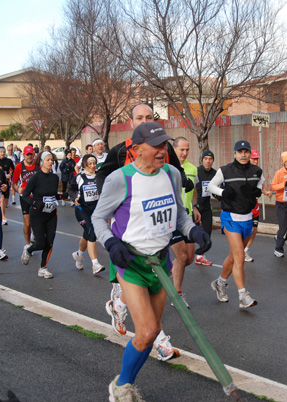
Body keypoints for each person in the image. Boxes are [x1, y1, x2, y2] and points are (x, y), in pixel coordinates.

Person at [92, 122, 210, 401]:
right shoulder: (120, 179)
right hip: (130, 262)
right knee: (146, 331)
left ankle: (125, 383)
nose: (162, 151)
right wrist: (110, 243)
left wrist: (193, 231)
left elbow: (179, 214)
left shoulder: (171, 174)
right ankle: (120, 388)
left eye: (164, 145)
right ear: (136, 150)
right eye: (156, 146)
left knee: (153, 330)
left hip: (160, 262)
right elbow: (98, 217)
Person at [96, 104, 188, 361]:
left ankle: (120, 304)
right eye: (140, 118)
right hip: (131, 225)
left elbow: (175, 175)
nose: (144, 120)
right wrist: (118, 202)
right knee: (144, 298)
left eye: (149, 117)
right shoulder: (120, 151)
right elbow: (103, 177)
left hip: (162, 218)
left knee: (181, 256)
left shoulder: (163, 146)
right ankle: (157, 339)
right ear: (131, 121)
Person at [208, 140, 264, 309]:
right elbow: (210, 186)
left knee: (233, 257)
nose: (243, 154)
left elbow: (260, 186)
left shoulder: (257, 171)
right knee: (239, 256)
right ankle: (243, 295)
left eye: (246, 151)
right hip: (230, 217)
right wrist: (223, 192)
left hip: (247, 217)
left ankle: (220, 283)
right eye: (240, 151)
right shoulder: (225, 170)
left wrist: (257, 191)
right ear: (235, 154)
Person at [169, 136, 200, 308]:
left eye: (187, 149)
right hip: (172, 218)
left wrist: (195, 207)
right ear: (174, 149)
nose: (185, 153)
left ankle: (168, 271)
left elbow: (194, 189)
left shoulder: (192, 168)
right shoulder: (167, 168)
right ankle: (177, 294)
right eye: (181, 149)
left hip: (187, 217)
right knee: (181, 256)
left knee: (188, 259)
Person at [20, 151, 60, 278]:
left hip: (51, 214)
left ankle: (43, 268)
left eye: (52, 160)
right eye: (48, 160)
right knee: (40, 243)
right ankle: (29, 250)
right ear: (42, 161)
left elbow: (53, 194)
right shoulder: (36, 177)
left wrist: (62, 196)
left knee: (50, 242)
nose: (50, 162)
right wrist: (35, 203)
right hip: (37, 214)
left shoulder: (55, 177)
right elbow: (25, 195)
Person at [71, 155, 105, 275]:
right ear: (85, 164)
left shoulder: (100, 177)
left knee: (87, 233)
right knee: (91, 232)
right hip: (82, 209)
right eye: (89, 164)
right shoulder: (79, 177)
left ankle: (79, 255)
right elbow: (70, 189)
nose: (92, 166)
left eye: (94, 163)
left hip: (95, 210)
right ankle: (95, 264)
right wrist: (74, 198)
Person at [242, 149, 272, 262]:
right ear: (249, 158)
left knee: (254, 229)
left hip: (255, 205)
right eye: (254, 159)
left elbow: (261, 185)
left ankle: (245, 250)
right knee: (245, 230)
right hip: (245, 206)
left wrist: (266, 192)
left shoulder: (259, 171)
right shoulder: (244, 171)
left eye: (257, 159)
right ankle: (240, 250)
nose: (256, 161)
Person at [12, 146, 40, 253]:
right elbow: (14, 183)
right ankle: (27, 244)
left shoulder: (38, 167)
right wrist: (17, 189)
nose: (29, 156)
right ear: (24, 155)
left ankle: (34, 235)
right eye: (27, 154)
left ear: (33, 155)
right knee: (27, 223)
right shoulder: (19, 166)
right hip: (25, 197)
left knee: (36, 221)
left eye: (31, 154)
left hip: (36, 197)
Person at [195, 149, 217, 265]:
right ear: (202, 160)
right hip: (196, 207)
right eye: (206, 159)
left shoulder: (215, 173)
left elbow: (216, 190)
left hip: (207, 206)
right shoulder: (197, 171)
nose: (208, 161)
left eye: (210, 159)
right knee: (193, 232)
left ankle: (200, 255)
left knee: (207, 230)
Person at [0, 147, 16, 226]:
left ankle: (1, 213)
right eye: (1, 152)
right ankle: (3, 217)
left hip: (6, 182)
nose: (2, 153)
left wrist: (9, 175)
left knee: (5, 201)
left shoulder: (9, 161)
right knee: (1, 200)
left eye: (3, 152)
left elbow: (13, 169)